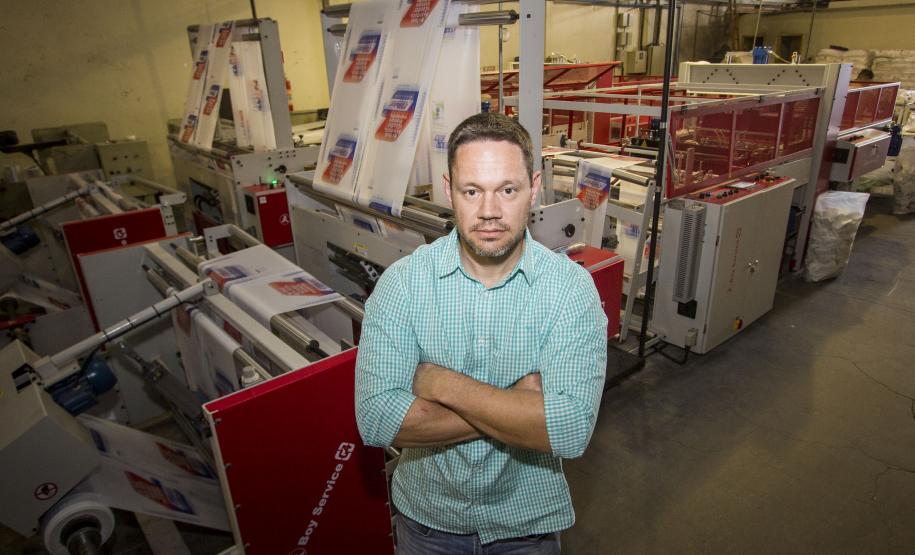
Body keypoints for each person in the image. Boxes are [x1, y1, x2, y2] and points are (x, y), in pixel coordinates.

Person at [355, 112, 608, 553]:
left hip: (525, 529)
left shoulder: (570, 291)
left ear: (533, 187)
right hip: (428, 526)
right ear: (449, 190)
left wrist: (441, 383)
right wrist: (521, 407)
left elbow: (568, 431)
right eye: (472, 191)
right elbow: (377, 420)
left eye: (507, 190)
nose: (489, 211)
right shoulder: (403, 284)